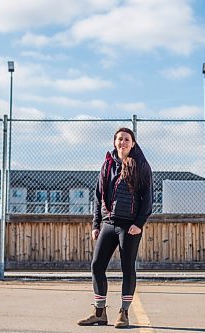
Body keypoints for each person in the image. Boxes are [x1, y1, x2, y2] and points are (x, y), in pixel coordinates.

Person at [77, 127, 153, 329]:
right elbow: (98, 195)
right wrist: (96, 224)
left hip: (129, 227)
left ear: (133, 143)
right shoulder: (107, 165)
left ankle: (124, 313)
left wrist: (139, 223)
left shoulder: (142, 166)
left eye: (127, 139)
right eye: (120, 139)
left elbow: (148, 199)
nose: (123, 142)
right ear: (114, 142)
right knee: (96, 265)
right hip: (109, 224)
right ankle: (99, 313)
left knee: (127, 269)